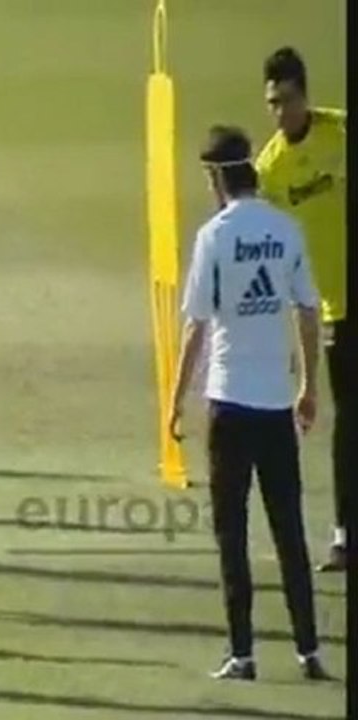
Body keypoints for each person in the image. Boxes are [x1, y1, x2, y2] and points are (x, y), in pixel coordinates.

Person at [169, 125, 331, 682]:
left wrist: (175, 400)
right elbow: (306, 311)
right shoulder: (286, 230)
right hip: (275, 405)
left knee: (231, 533)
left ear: (218, 176)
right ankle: (309, 648)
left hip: (230, 402)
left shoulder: (214, 236)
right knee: (289, 529)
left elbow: (196, 326)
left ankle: (242, 653)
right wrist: (309, 387)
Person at [255, 47, 351, 573]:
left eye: (287, 100)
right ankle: (345, 535)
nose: (280, 112)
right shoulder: (271, 170)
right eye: (272, 102)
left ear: (305, 97)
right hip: (335, 307)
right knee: (348, 419)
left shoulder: (340, 132)